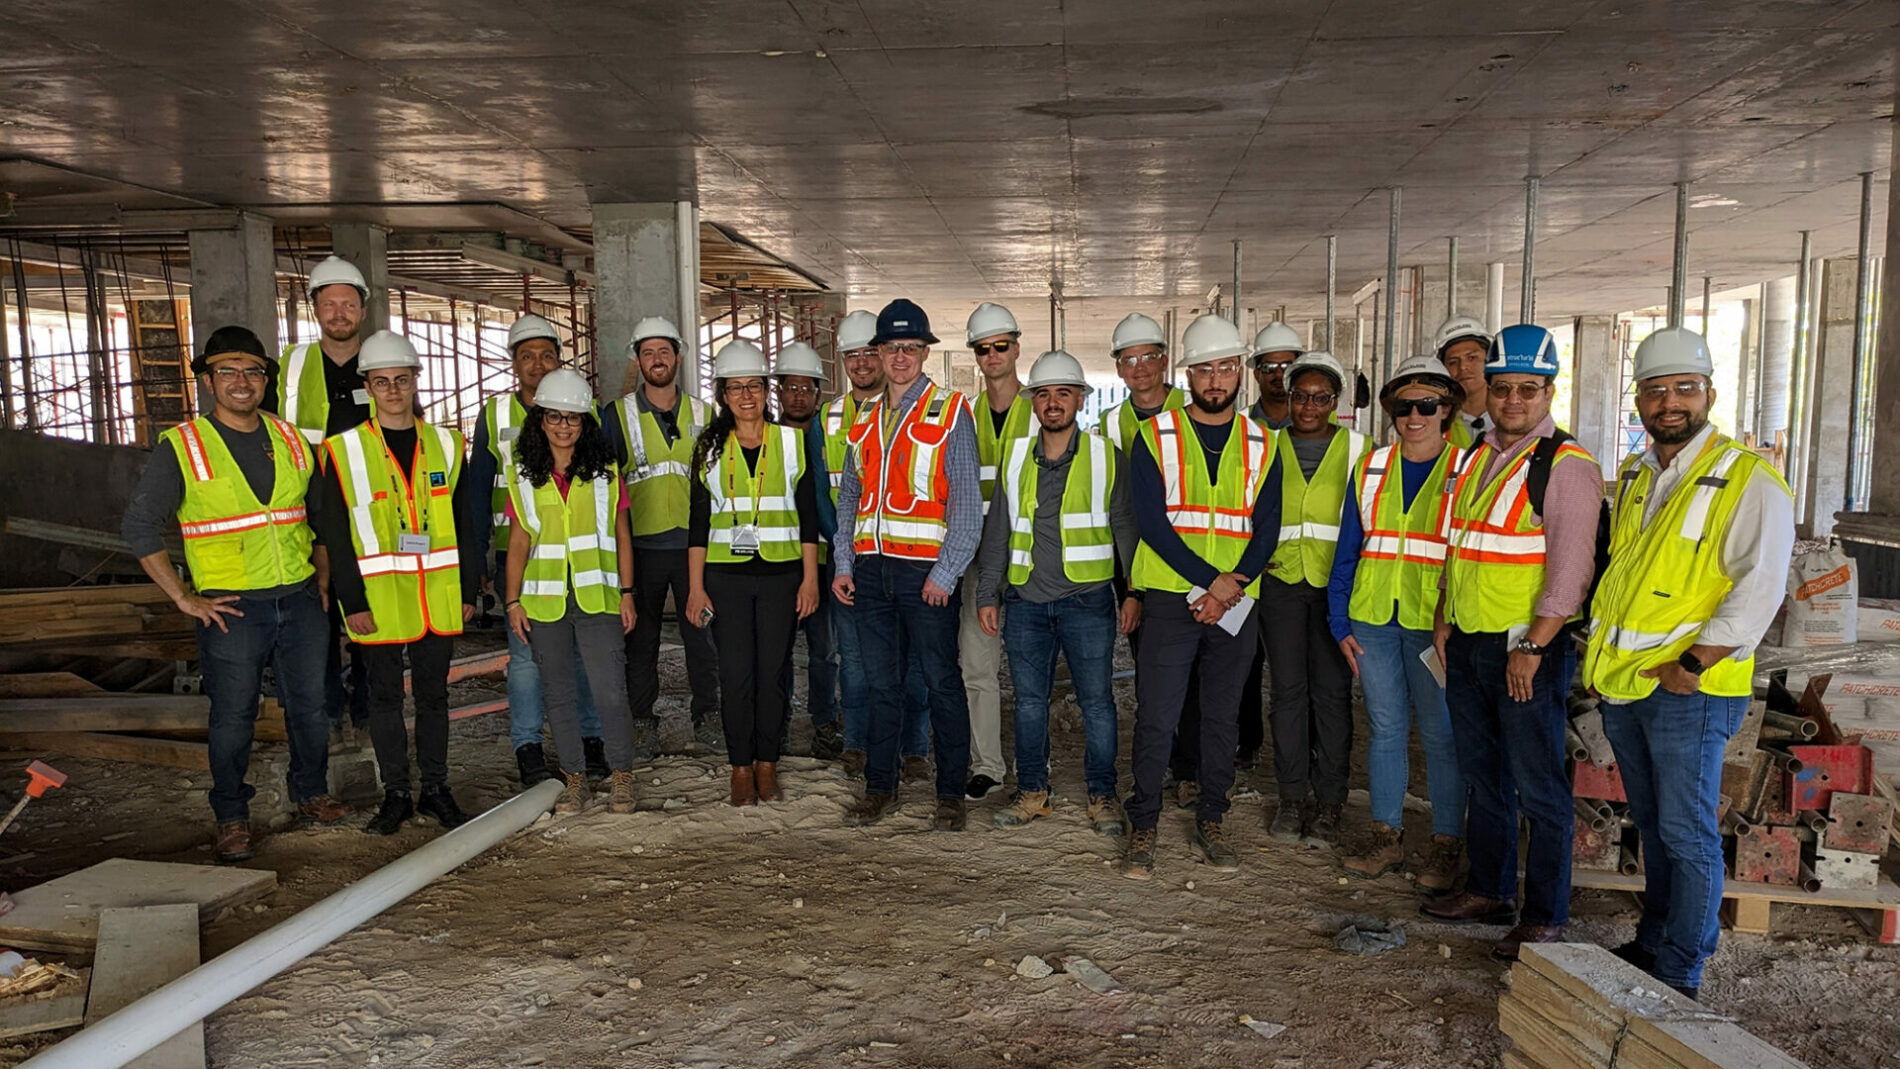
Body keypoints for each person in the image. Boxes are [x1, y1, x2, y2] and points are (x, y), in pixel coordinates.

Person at [1582, 327, 1794, 1001]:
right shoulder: (1643, 476)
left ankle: (1680, 968)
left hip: (1691, 688)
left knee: (1686, 830)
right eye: (1655, 390)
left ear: (1709, 393)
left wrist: (1694, 664)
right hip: (1632, 683)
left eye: (1683, 389)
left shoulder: (1748, 479)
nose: (1669, 403)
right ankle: (1655, 941)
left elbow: (1757, 586)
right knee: (1657, 822)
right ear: (1639, 399)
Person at [122, 326, 348, 862]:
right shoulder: (184, 446)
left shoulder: (291, 439)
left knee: (312, 708)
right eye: (227, 371)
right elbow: (139, 526)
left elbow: (318, 517)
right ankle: (230, 815)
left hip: (298, 599)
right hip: (231, 607)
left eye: (251, 371)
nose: (241, 382)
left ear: (266, 380)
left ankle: (311, 792)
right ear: (207, 380)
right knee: (233, 716)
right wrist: (184, 598)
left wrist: (320, 571)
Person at [1426, 324, 1600, 963]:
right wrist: (1445, 617)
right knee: (1483, 774)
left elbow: (1571, 570)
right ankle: (1490, 890)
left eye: (1529, 388)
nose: (1513, 399)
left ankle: (1546, 915)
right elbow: (1459, 544)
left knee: (1538, 784)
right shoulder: (1475, 456)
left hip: (1527, 649)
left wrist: (1534, 645)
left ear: (1549, 391)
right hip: (1470, 639)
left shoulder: (1567, 465)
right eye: (1503, 388)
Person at [1120, 314, 1281, 879]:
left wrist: (1228, 586)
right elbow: (1154, 525)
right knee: (1158, 718)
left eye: (1227, 367)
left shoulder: (1264, 441)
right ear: (1188, 373)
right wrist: (1210, 582)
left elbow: (1268, 527)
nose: (1217, 379)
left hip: (1236, 600)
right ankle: (1143, 823)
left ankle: (1212, 815)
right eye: (1206, 368)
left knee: (1221, 719)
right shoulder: (1154, 436)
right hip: (1170, 597)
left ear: (1241, 372)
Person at [311, 330, 481, 835]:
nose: (391, 390)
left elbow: (465, 522)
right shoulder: (343, 451)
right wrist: (351, 601)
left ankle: (435, 788)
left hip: (437, 593)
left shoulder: (448, 444)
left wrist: (470, 590)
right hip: (378, 599)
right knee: (384, 700)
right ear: (367, 386)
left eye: (400, 380)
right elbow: (335, 535)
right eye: (381, 381)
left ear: (414, 383)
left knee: (434, 698)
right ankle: (397, 794)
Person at [831, 298, 980, 830]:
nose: (900, 358)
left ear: (924, 353)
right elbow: (850, 497)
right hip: (871, 572)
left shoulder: (950, 410)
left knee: (941, 681)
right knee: (881, 684)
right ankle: (880, 787)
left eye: (911, 348)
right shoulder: (866, 416)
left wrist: (947, 572)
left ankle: (950, 795)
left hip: (925, 576)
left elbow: (966, 499)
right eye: (891, 348)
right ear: (878, 352)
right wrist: (843, 562)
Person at [975, 351, 1138, 836]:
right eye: (1043, 394)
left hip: (1088, 601)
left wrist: (1133, 592)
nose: (1052, 403)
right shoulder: (1016, 459)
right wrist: (988, 591)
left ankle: (1102, 795)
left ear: (1081, 400)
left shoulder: (1107, 456)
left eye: (1063, 394)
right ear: (1032, 402)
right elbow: (999, 531)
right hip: (1026, 600)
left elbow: (1125, 527)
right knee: (1027, 702)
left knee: (1098, 702)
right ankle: (1032, 793)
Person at [1329, 356, 1469, 890]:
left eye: (1427, 405)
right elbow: (1349, 548)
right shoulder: (1371, 467)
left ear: (1446, 410)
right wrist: (1340, 621)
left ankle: (1444, 845)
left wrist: (1452, 620)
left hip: (1434, 626)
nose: (1414, 415)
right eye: (1404, 406)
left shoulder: (1468, 469)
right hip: (1373, 619)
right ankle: (1386, 838)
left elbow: (1467, 555)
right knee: (1385, 731)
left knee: (1440, 735)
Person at [463, 314, 608, 787]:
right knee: (525, 657)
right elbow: (479, 489)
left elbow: (607, 492)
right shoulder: (494, 415)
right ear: (514, 363)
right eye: (527, 356)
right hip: (519, 556)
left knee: (583, 653)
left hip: (581, 559)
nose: (538, 364)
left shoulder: (587, 410)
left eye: (547, 354)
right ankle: (528, 745)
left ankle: (589, 740)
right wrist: (479, 561)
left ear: (559, 360)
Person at [686, 341, 822, 806]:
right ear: (723, 395)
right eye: (736, 387)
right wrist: (695, 588)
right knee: (736, 674)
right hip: (726, 577)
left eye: (754, 386)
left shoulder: (791, 443)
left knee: (774, 673)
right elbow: (698, 526)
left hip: (784, 575)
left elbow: (808, 518)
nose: (746, 395)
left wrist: (810, 579)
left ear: (767, 391)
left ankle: (768, 765)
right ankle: (740, 769)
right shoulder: (707, 449)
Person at [505, 369, 640, 815]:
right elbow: (520, 539)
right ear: (540, 420)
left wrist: (627, 592)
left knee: (610, 692)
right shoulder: (522, 474)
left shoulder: (604, 472)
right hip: (544, 602)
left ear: (585, 423)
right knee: (558, 694)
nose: (564, 426)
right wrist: (512, 601)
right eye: (554, 417)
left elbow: (622, 534)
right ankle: (574, 780)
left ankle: (622, 777)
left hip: (598, 597)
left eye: (573, 418)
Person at [820, 311, 934, 782]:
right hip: (855, 558)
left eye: (872, 352)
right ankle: (857, 743)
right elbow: (828, 493)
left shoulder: (924, 409)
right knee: (857, 660)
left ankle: (914, 748)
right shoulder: (831, 417)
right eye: (855, 355)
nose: (864, 362)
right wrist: (840, 552)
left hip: (908, 556)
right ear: (844, 360)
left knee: (913, 662)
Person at [1261, 350, 1367, 848]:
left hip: (1335, 590)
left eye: (1320, 397)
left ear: (1335, 401)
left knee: (1330, 695)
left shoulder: (1360, 451)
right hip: (1280, 585)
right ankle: (1290, 797)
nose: (1308, 406)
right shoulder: (1263, 446)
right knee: (1286, 693)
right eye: (1300, 396)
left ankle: (1329, 803)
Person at [270, 254, 374, 736]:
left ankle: (371, 709)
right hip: (306, 506)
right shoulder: (290, 364)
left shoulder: (380, 360)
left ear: (362, 311)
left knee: (373, 603)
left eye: (347, 304)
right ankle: (328, 711)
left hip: (370, 505)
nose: (338, 313)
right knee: (318, 611)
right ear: (314, 309)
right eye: (329, 304)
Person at [603, 317, 720, 743]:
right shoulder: (615, 416)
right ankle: (641, 722)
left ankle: (708, 715)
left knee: (703, 636)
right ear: (638, 359)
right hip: (640, 546)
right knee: (641, 641)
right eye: (648, 352)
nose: (657, 360)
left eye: (664, 352)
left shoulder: (706, 413)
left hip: (695, 545)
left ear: (678, 357)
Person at [961, 302, 1035, 801]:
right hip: (975, 558)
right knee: (976, 664)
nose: (992, 355)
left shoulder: (1044, 404)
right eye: (983, 348)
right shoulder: (964, 414)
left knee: (1031, 668)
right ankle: (987, 764)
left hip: (1032, 557)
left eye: (1000, 346)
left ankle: (1036, 765)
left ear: (1015, 347)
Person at [771, 341, 841, 761]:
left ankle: (823, 720)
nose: (798, 395)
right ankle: (777, 722)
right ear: (779, 391)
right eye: (790, 387)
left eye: (806, 388)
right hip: (779, 561)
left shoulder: (829, 437)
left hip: (825, 557)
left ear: (819, 394)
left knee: (824, 650)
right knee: (776, 650)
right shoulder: (763, 435)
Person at [1433, 316, 1492, 449]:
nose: (1463, 367)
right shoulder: (1438, 422)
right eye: (1453, 362)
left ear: (1489, 360)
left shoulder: (1511, 415)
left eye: (1472, 358)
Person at [1246, 322, 1303, 430]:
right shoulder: (1239, 422)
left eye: (1287, 366)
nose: (1278, 374)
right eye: (1269, 367)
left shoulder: (1318, 421)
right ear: (1257, 374)